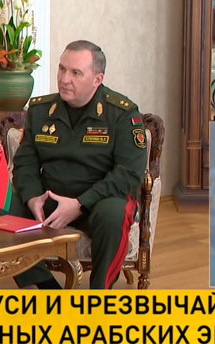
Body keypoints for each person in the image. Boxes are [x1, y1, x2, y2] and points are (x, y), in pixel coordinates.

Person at [9, 40, 147, 289]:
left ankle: (99, 294)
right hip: (51, 197)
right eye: (62, 69)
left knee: (114, 214)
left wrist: (80, 204)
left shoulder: (121, 113)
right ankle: (47, 290)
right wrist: (32, 198)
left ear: (97, 79)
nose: (64, 79)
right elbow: (25, 162)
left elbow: (129, 174)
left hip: (99, 201)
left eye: (76, 73)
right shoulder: (41, 110)